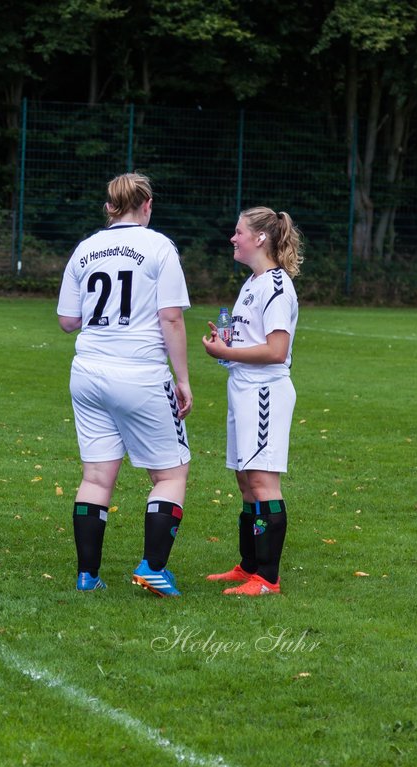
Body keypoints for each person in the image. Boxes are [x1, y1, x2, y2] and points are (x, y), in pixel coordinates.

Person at [56, 172, 193, 596]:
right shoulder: (159, 247)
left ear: (111, 205)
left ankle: (87, 576)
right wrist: (183, 379)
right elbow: (170, 317)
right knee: (170, 474)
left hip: (88, 372)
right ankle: (153, 567)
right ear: (147, 204)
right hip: (140, 373)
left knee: (97, 477)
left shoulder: (85, 249)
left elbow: (67, 321)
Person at [201, 207, 302, 596]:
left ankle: (268, 578)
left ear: (260, 238)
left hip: (265, 391)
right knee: (246, 481)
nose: (233, 237)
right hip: (242, 387)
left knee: (262, 482)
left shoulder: (276, 285)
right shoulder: (251, 284)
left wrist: (226, 354)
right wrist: (224, 348)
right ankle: (249, 566)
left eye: (238, 231)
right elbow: (249, 342)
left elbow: (277, 350)